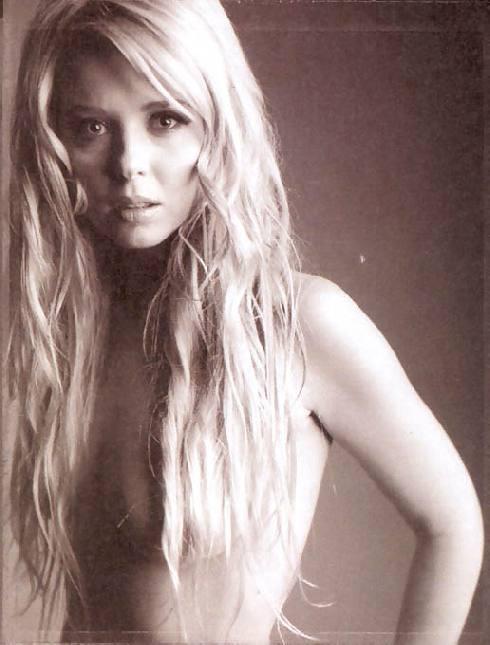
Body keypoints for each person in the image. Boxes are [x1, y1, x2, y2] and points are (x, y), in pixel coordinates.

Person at [7, 0, 483, 643]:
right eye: (91, 127)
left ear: (219, 127)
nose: (128, 163)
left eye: (166, 119)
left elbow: (452, 523)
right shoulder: (72, 327)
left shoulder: (297, 323)